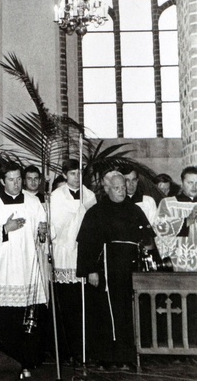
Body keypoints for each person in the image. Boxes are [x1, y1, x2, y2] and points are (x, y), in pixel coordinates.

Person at [76, 171, 156, 370]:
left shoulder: (134, 210)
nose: (123, 191)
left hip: (130, 271)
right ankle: (106, 358)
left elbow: (147, 235)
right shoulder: (96, 212)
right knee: (105, 314)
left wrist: (148, 244)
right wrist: (90, 270)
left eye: (124, 187)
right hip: (105, 273)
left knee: (128, 313)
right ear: (107, 189)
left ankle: (127, 356)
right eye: (118, 188)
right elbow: (86, 244)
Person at [0, 162, 49, 379]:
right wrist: (5, 229)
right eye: (11, 180)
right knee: (7, 320)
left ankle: (27, 363)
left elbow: (43, 237)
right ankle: (7, 365)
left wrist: (43, 233)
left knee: (28, 320)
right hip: (4, 269)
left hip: (27, 268)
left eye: (18, 179)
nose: (16, 184)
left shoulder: (33, 202)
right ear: (2, 181)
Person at [49, 158, 96, 363]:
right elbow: (55, 224)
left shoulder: (90, 195)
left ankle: (84, 349)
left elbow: (93, 223)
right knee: (67, 306)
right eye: (72, 174)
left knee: (84, 305)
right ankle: (67, 350)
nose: (77, 177)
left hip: (82, 252)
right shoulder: (57, 195)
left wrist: (82, 210)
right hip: (64, 253)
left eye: (79, 173)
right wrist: (73, 211)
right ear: (65, 175)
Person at [154, 166, 197, 271]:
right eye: (190, 183)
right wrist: (186, 221)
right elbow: (159, 228)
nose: (194, 186)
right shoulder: (168, 203)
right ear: (182, 183)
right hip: (178, 259)